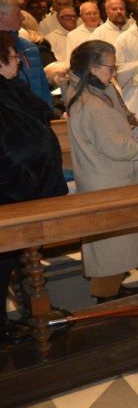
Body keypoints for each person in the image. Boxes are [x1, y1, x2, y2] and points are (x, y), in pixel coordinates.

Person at [65, 40, 138, 303]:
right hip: (107, 181)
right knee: (109, 245)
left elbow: (112, 133)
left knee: (114, 243)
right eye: (110, 67)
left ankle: (112, 288)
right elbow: (116, 148)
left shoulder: (93, 90)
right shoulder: (91, 104)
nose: (114, 72)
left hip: (106, 176)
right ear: (92, 68)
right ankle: (105, 297)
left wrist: (131, 131)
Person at [0, 31, 68, 344]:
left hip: (29, 191)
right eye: (15, 57)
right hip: (13, 194)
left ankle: (33, 311)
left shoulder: (12, 87)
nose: (19, 61)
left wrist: (57, 112)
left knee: (23, 257)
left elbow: (39, 109)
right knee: (5, 263)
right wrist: (26, 182)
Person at [0, 0, 51, 106]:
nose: (23, 17)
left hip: (36, 114)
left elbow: (44, 90)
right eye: (18, 13)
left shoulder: (30, 48)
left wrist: (47, 112)